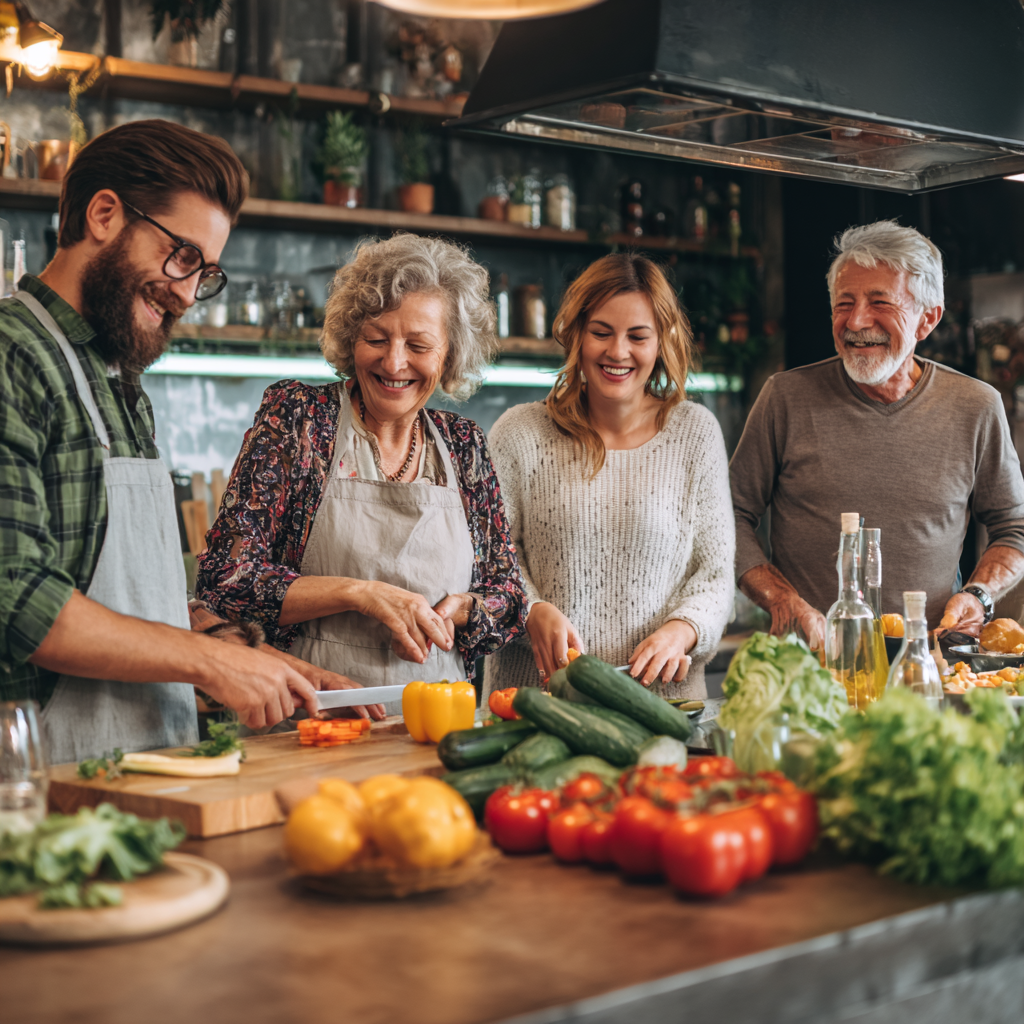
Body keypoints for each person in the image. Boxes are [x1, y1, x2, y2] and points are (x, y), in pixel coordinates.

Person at [0, 120, 378, 764]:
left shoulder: (117, 380)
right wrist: (205, 663)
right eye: (181, 256)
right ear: (104, 214)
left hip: (143, 768)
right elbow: (18, 600)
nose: (185, 293)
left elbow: (130, 601)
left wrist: (260, 661)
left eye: (204, 274)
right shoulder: (14, 354)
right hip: (42, 787)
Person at [195, 234, 526, 708]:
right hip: (310, 715)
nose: (394, 363)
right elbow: (225, 580)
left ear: (449, 355)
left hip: (436, 720)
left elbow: (508, 597)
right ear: (352, 338)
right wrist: (358, 593)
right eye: (377, 338)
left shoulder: (464, 444)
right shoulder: (299, 419)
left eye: (418, 345)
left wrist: (462, 610)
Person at [731, 219, 1024, 644]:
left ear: (928, 319)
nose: (856, 321)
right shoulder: (785, 398)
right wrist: (781, 599)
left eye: (879, 302)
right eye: (843, 303)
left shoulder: (975, 406)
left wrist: (978, 595)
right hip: (811, 663)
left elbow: (1014, 526)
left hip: (929, 663)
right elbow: (728, 518)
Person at [484, 253, 735, 700]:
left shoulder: (695, 433)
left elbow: (714, 575)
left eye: (638, 336)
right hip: (535, 706)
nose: (617, 352)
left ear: (661, 342)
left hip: (660, 707)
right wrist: (531, 609)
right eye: (601, 332)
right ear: (576, 334)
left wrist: (682, 630)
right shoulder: (519, 433)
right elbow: (486, 559)